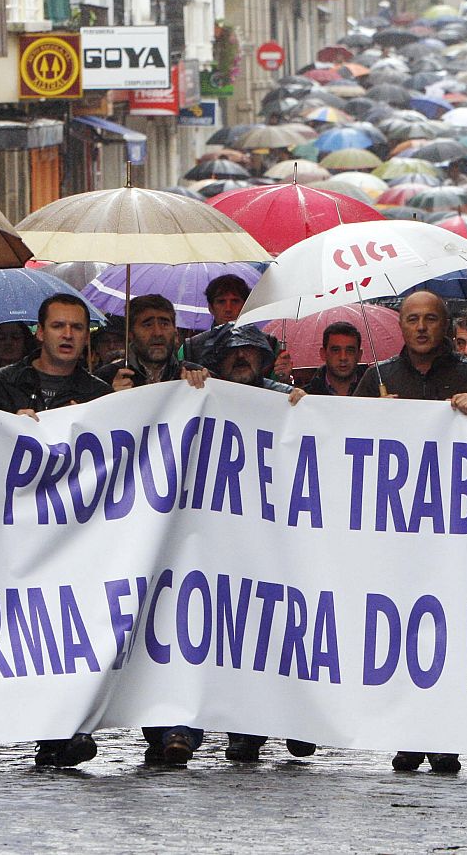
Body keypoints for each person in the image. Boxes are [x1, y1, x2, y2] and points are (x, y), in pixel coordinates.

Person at [356, 291, 467, 774]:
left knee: (451, 631)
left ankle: (445, 735)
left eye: (430, 319)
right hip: (399, 532)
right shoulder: (378, 378)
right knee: (403, 632)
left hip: (459, 532)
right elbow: (344, 442)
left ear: (444, 325)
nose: (421, 327)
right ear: (400, 326)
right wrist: (371, 417)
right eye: (412, 319)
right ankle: (408, 734)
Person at [0, 293, 110, 769]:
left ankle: (60, 731)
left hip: (71, 537)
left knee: (63, 631)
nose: (68, 335)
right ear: (40, 332)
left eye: (77, 327)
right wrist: (7, 428)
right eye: (59, 326)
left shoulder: (100, 395)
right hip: (9, 534)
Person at [93, 294, 211, 765]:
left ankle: (179, 726)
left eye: (165, 322)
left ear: (176, 330)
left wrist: (203, 392)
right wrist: (111, 402)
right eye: (147, 323)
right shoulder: (106, 381)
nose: (158, 331)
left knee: (179, 620)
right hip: (125, 532)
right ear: (131, 333)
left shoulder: (198, 379)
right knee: (134, 625)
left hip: (182, 528)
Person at [196, 324, 314, 764]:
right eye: (233, 351)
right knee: (238, 635)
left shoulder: (284, 397)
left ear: (264, 359)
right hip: (226, 537)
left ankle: (298, 719)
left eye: (251, 351)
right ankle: (245, 729)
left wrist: (308, 408)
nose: (242, 358)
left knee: (287, 629)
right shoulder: (202, 394)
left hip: (280, 535)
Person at [303, 321, 362, 395]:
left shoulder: (373, 393)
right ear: (323, 354)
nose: (343, 357)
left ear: (359, 355)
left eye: (350, 351)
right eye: (336, 350)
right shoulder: (306, 396)